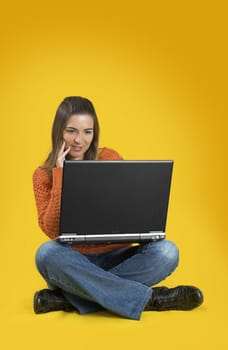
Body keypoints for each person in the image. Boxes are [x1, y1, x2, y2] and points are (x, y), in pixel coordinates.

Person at [32, 96, 203, 320]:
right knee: (46, 254)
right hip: (73, 262)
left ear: (94, 133)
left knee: (167, 252)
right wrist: (61, 174)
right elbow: (53, 230)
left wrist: (143, 225)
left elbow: (127, 208)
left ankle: (73, 297)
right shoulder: (43, 175)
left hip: (117, 257)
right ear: (58, 132)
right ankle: (150, 299)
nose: (79, 140)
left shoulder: (108, 157)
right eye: (71, 131)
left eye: (87, 132)